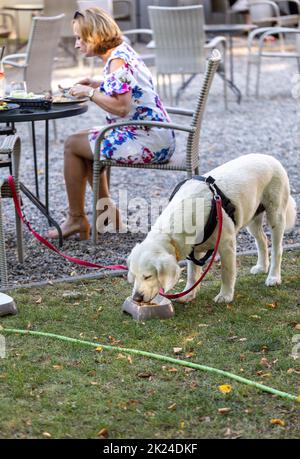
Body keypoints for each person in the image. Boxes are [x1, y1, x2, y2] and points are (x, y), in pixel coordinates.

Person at [49, 7, 175, 240]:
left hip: (147, 140)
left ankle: (77, 219)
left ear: (94, 36)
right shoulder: (121, 53)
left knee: (71, 144)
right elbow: (127, 89)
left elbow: (121, 107)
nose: (77, 44)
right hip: (153, 133)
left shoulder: (118, 61)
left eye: (80, 38)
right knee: (82, 143)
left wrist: (89, 92)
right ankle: (108, 216)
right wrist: (97, 84)